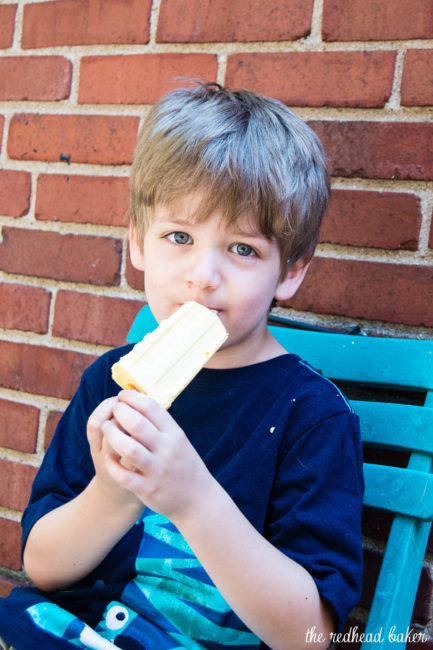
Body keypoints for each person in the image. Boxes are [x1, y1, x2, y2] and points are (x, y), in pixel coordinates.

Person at [0, 82, 363, 650]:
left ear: (289, 272)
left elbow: (312, 634)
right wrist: (114, 495)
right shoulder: (108, 382)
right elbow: (43, 566)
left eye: (242, 249)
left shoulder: (311, 416)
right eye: (179, 236)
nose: (202, 276)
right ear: (139, 245)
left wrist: (191, 498)